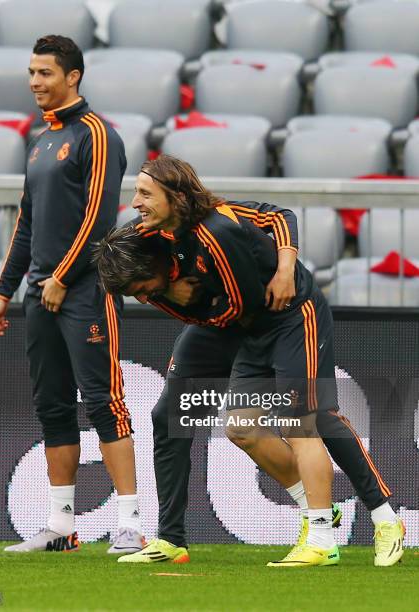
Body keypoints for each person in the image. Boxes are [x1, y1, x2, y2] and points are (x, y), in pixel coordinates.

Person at [93, 155, 404, 568]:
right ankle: (172, 539)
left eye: (145, 193)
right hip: (231, 322)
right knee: (205, 420)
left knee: (305, 418)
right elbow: (188, 300)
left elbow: (274, 226)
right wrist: (166, 294)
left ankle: (372, 522)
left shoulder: (217, 228)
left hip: (287, 314)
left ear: (176, 196)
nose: (135, 202)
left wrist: (286, 264)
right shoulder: (145, 235)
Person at [0, 35, 143, 555]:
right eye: (31, 73)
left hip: (85, 291)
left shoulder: (99, 135)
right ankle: (61, 525)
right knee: (51, 405)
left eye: (45, 73)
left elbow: (100, 218)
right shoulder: (40, 140)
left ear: (72, 76)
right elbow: (27, 222)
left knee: (104, 402)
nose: (35, 82)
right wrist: (4, 291)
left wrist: (62, 278)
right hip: (41, 292)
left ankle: (130, 523)